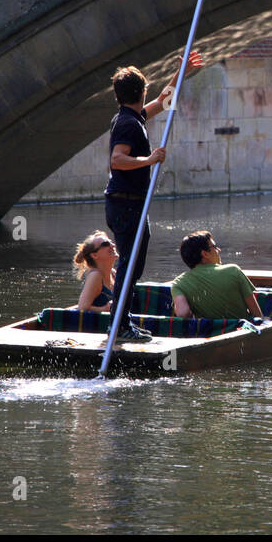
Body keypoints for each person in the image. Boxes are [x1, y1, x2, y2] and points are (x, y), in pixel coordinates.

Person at [104, 50, 203, 341]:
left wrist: (180, 73)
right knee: (129, 265)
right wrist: (148, 159)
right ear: (140, 90)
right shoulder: (126, 123)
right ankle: (120, 327)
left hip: (131, 205)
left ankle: (124, 322)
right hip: (125, 204)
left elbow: (163, 102)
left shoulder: (131, 116)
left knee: (133, 265)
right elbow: (117, 159)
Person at [170, 231, 265, 322]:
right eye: (214, 247)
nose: (218, 250)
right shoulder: (233, 270)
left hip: (207, 334)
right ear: (205, 254)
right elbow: (257, 315)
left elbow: (183, 314)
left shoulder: (178, 283)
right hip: (240, 331)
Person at [71, 231, 117, 312]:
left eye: (111, 242)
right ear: (94, 255)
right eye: (105, 244)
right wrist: (103, 309)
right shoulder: (95, 276)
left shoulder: (113, 274)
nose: (113, 245)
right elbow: (82, 308)